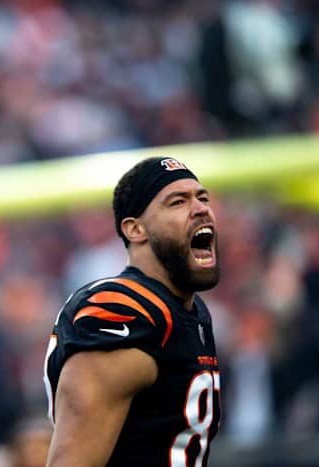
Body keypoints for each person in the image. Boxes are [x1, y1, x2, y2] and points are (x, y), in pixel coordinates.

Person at [43, 157, 222, 466]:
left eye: (202, 197)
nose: (200, 208)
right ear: (136, 229)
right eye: (177, 202)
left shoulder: (190, 310)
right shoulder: (122, 308)